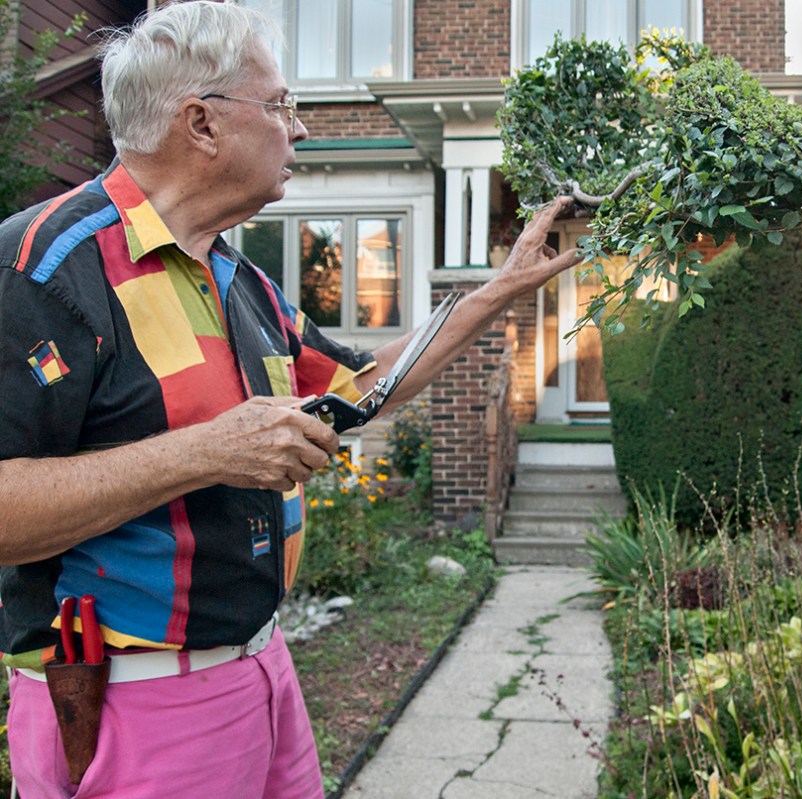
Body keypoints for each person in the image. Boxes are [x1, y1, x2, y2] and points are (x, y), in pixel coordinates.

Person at [0, 2, 580, 796]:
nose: (299, 127)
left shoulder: (240, 281)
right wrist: (207, 451)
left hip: (263, 668)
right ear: (201, 123)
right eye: (279, 105)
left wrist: (502, 288)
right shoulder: (43, 268)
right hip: (131, 704)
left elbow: (359, 389)